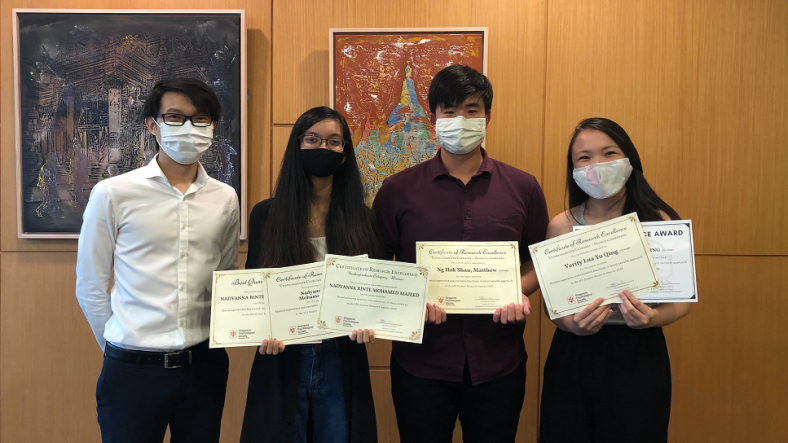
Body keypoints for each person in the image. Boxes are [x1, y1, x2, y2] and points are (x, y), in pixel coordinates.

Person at [372, 64, 549, 443]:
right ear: (433, 117)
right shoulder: (397, 190)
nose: (460, 120)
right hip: (421, 363)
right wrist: (409, 298)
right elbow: (376, 266)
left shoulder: (523, 187)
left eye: (471, 110)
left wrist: (516, 290)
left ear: (488, 116)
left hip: (499, 362)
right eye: (449, 111)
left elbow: (539, 260)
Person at [75, 78, 240, 443]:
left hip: (204, 368)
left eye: (200, 119)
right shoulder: (113, 194)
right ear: (153, 124)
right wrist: (121, 345)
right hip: (131, 371)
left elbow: (227, 278)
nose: (189, 128)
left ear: (212, 126)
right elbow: (90, 286)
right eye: (176, 117)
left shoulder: (225, 198)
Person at [538, 117, 692, 443]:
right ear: (573, 169)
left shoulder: (659, 221)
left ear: (629, 160)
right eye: (584, 157)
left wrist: (653, 318)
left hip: (639, 355)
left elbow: (681, 301)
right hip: (573, 356)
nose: (597, 164)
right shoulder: (561, 226)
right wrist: (571, 325)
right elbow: (552, 307)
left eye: (609, 153)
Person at [240, 106, 379, 443]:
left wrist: (371, 319)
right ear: (297, 145)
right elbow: (255, 284)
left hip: (341, 356)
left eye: (334, 142)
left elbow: (373, 290)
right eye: (313, 139)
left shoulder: (363, 218)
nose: (323, 148)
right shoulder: (267, 215)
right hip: (283, 356)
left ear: (345, 153)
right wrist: (263, 327)